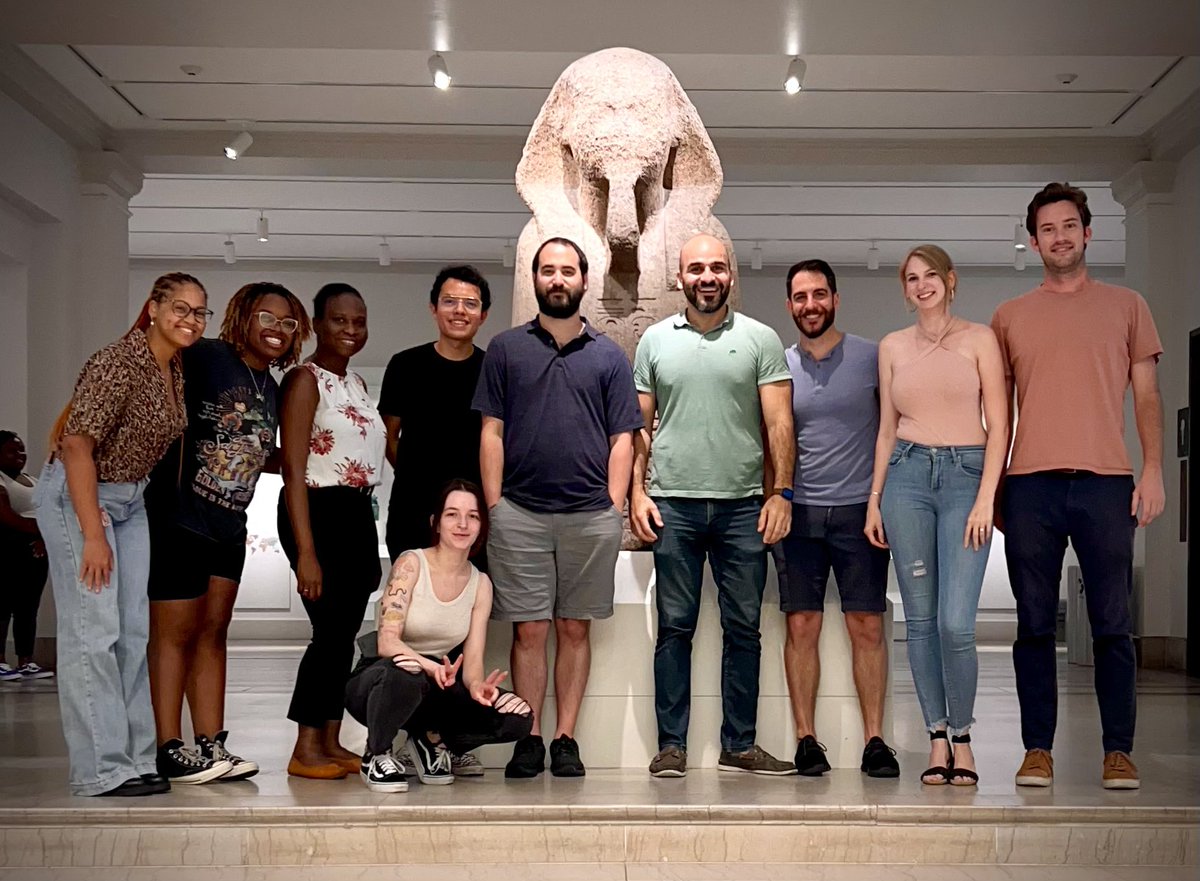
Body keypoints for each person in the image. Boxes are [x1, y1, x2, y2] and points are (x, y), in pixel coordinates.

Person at [992, 183, 1164, 790]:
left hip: (1106, 484)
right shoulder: (1009, 317)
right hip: (1030, 485)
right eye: (1047, 229)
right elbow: (1001, 413)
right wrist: (995, 488)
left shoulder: (1127, 306)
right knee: (1034, 623)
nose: (1059, 237)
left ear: (1088, 233)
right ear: (1033, 240)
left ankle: (1119, 750)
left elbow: (1147, 395)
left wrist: (1153, 469)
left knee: (1114, 622)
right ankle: (1037, 748)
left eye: (1069, 226)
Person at [33, 272, 209, 796]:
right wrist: (92, 533)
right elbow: (76, 447)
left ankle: (134, 758)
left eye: (200, 312)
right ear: (152, 308)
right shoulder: (118, 361)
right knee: (94, 634)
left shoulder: (171, 367)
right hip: (80, 496)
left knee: (134, 636)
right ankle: (99, 770)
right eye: (180, 307)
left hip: (131, 500)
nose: (190, 320)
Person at [473, 237, 642, 778]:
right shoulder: (505, 350)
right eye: (548, 271)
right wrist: (495, 506)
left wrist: (613, 505)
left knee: (574, 629)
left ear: (583, 281)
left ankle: (565, 738)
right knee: (530, 631)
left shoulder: (609, 356)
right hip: (518, 514)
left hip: (590, 516)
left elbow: (624, 438)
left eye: (568, 271)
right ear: (536, 280)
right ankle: (531, 736)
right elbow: (491, 431)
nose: (558, 279)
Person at [631, 233, 797, 779]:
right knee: (675, 628)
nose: (708, 276)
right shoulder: (654, 341)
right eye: (696, 267)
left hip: (744, 507)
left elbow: (778, 423)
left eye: (717, 267)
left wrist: (781, 494)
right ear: (680, 277)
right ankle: (671, 746)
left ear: (731, 275)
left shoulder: (760, 338)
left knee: (743, 628)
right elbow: (639, 429)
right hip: (672, 505)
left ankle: (740, 745)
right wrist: (636, 492)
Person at [145, 282, 310, 784]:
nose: (278, 330)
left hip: (229, 524)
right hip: (179, 516)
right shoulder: (207, 357)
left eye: (288, 323)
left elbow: (255, 451)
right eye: (267, 317)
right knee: (175, 634)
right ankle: (168, 746)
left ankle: (211, 745)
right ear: (242, 316)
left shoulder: (274, 387)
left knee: (214, 633)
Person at [864, 245, 1006, 786]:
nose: (921, 285)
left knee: (955, 622)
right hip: (906, 477)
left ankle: (964, 738)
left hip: (967, 476)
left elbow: (1000, 424)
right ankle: (935, 738)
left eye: (930, 276)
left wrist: (987, 497)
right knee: (919, 622)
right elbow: (885, 428)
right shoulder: (893, 346)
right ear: (905, 289)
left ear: (950, 280)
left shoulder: (980, 340)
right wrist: (875, 498)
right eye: (911, 278)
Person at [773, 260, 899, 779]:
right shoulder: (777, 366)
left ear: (836, 298)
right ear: (790, 306)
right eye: (800, 297)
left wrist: (881, 499)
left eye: (819, 295)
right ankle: (806, 739)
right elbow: (771, 440)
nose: (811, 305)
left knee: (866, 624)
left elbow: (892, 430)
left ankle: (875, 740)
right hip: (799, 513)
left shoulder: (873, 357)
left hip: (860, 512)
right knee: (802, 624)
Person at [345, 480, 533, 791]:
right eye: (452, 514)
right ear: (436, 522)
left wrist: (477, 688)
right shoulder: (411, 563)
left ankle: (431, 741)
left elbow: (472, 663)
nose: (462, 524)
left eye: (472, 516)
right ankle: (376, 752)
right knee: (409, 670)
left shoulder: (481, 584)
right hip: (381, 680)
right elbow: (387, 643)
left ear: (481, 526)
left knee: (519, 716)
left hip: (436, 685)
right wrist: (433, 668)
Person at [379, 264, 491, 778]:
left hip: (471, 521)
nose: (460, 311)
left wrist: (465, 509)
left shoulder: (492, 369)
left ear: (483, 314)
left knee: (459, 630)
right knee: (407, 624)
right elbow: (391, 439)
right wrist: (426, 491)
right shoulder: (405, 365)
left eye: (470, 304)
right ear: (434, 307)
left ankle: (440, 736)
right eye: (450, 301)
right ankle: (412, 735)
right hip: (413, 515)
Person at [278, 282, 386, 780]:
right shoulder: (305, 381)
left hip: (357, 513)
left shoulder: (358, 385)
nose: (350, 330)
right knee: (328, 634)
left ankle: (331, 738)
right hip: (318, 511)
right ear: (318, 324)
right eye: (339, 320)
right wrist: (306, 551)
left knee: (343, 636)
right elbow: (293, 470)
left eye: (359, 321)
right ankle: (304, 747)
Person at [0, 431, 52, 682]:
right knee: (3, 605)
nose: (20, 455)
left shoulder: (30, 479)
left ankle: (25, 661)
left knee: (28, 606)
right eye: (12, 450)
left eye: (22, 450)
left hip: (36, 548)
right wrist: (40, 530)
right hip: (8, 548)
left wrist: (45, 537)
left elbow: (48, 509)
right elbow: (6, 515)